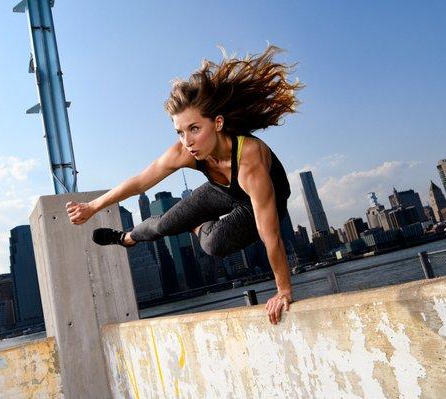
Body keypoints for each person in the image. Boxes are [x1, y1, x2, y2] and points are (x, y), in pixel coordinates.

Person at [66, 46, 303, 324]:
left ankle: (196, 225)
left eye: (194, 129)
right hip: (220, 191)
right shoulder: (184, 151)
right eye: (180, 132)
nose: (187, 141)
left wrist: (283, 290)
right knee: (165, 223)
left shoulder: (250, 161)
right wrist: (92, 207)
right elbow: (140, 181)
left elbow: (270, 233)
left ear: (217, 123)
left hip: (256, 203)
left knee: (213, 245)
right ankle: (126, 238)